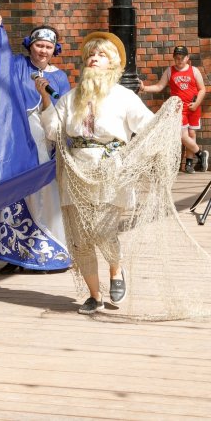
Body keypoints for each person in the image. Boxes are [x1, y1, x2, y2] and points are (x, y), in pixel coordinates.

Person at [39, 32, 157, 315]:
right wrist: (45, 99)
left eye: (101, 55)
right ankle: (94, 295)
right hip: (76, 171)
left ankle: (116, 271)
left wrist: (134, 158)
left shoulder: (124, 97)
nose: (94, 58)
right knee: (80, 238)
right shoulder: (70, 98)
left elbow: (149, 127)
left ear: (113, 65)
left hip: (109, 170)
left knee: (103, 231)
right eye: (91, 54)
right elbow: (54, 131)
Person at [0, 14, 72, 274]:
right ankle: (13, 254)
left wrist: (44, 96)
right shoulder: (16, 65)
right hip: (13, 135)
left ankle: (43, 253)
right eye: (39, 45)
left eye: (48, 47)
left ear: (54, 50)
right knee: (12, 192)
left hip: (41, 139)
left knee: (40, 194)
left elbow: (60, 115)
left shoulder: (59, 78)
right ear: (30, 45)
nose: (43, 50)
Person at [139, 45, 208, 173]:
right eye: (177, 58)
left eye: (182, 58)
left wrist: (197, 103)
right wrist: (144, 88)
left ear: (187, 58)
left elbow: (202, 89)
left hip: (193, 107)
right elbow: (159, 86)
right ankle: (201, 154)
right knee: (183, 135)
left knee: (192, 134)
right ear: (174, 58)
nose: (179, 60)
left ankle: (189, 164)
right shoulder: (170, 71)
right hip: (178, 109)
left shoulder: (194, 71)